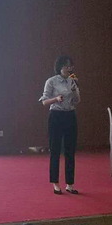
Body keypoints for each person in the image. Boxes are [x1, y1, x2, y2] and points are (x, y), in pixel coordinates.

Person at [39, 55, 80, 195]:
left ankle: (70, 184)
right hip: (56, 116)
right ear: (60, 67)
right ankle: (55, 183)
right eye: (67, 66)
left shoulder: (72, 81)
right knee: (55, 150)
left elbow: (77, 101)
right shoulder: (51, 81)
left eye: (71, 66)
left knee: (70, 151)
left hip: (70, 116)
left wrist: (74, 89)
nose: (69, 68)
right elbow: (44, 101)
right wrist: (56, 99)